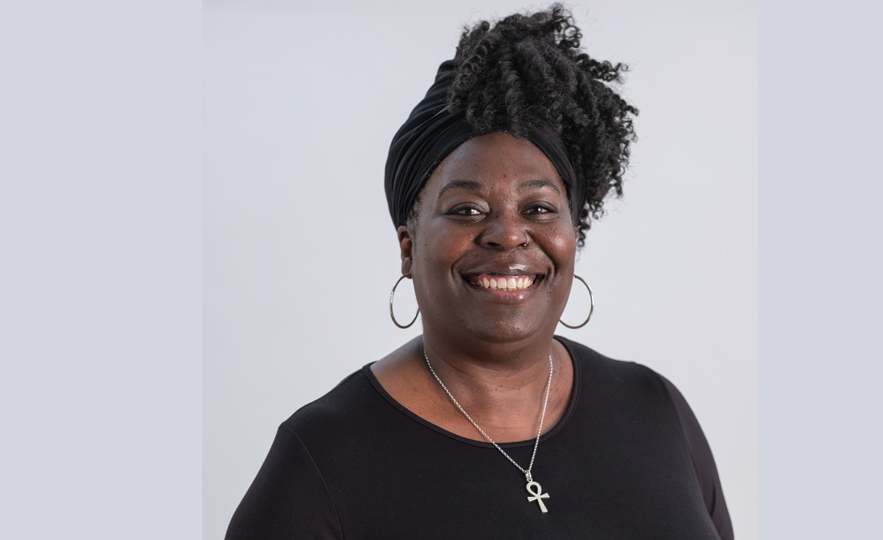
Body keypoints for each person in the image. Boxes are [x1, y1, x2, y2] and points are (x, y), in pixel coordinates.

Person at [226, 4, 732, 539]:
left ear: (572, 238)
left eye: (538, 208)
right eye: (467, 210)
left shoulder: (654, 409)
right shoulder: (322, 461)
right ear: (407, 247)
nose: (508, 235)